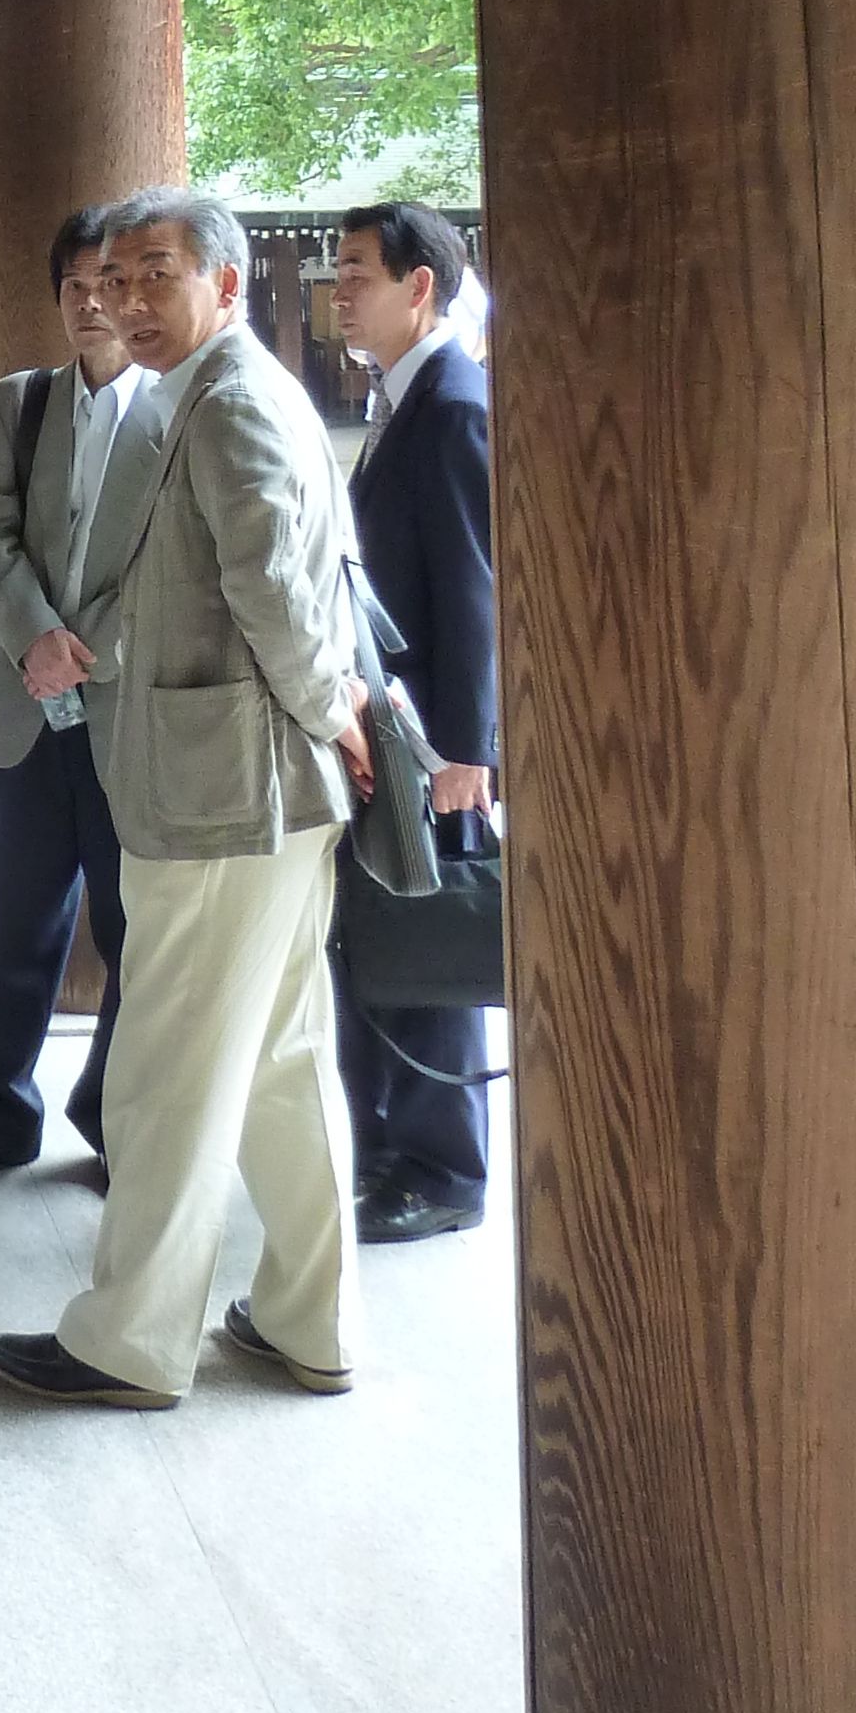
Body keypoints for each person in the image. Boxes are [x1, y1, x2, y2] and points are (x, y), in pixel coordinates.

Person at [0, 188, 372, 1411]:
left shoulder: (229, 403)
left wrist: (334, 712)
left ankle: (131, 1340)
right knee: (281, 1059)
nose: (131, 300)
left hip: (227, 794)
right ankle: (313, 1320)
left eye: (160, 275)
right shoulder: (213, 391)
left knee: (164, 1070)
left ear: (227, 284)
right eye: (117, 277)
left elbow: (280, 596)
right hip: (253, 795)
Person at [0, 205, 166, 1186]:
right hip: (32, 709)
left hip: (133, 720)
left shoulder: (182, 409)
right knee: (13, 915)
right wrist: (37, 638)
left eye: (111, 284)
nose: (91, 303)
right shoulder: (21, 402)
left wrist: (89, 647)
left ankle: (120, 1116)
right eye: (73, 286)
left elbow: (176, 564)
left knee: (133, 925)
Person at [332, 199, 498, 1242]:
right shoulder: (406, 395)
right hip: (389, 730)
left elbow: (477, 590)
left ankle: (447, 1165)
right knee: (388, 931)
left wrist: (468, 751)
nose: (339, 287)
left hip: (432, 739)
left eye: (356, 270)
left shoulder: (455, 403)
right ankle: (395, 1145)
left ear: (419, 285)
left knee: (432, 946)